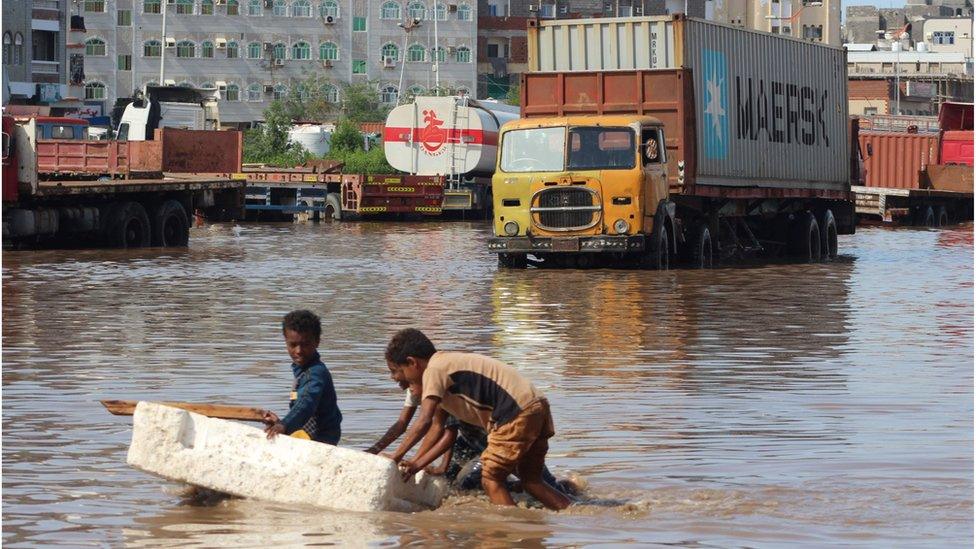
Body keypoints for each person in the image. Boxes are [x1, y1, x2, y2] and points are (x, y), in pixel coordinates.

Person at [384, 328, 571, 511]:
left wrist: (395, 457)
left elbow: (423, 421)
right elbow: (435, 427)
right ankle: (576, 515)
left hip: (513, 412)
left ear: (412, 362)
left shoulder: (433, 370)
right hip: (535, 404)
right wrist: (417, 463)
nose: (395, 378)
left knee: (491, 479)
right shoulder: (445, 365)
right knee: (532, 481)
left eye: (395, 371)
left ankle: (514, 533)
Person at [263, 310, 342, 445]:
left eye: (305, 344)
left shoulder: (315, 374)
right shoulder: (302, 371)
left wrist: (285, 425)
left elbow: (306, 402)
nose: (298, 351)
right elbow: (300, 406)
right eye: (293, 345)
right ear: (286, 342)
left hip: (322, 440)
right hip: (310, 435)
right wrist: (279, 422)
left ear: (317, 342)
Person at [364, 381, 419, 455]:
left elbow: (425, 422)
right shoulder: (413, 389)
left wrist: (398, 457)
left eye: (394, 371)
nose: (392, 377)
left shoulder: (419, 387)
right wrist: (374, 450)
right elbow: (401, 424)